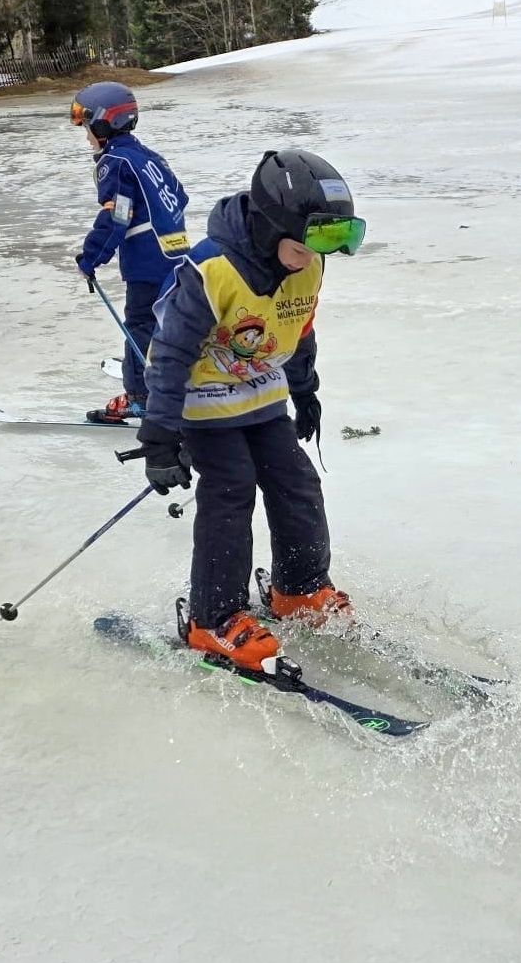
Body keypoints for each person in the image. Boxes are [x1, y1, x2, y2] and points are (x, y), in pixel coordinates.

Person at [133, 150, 366, 676]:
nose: (312, 255)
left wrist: (305, 391)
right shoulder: (212, 268)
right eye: (306, 242)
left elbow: (298, 329)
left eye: (327, 243)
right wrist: (160, 434)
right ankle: (213, 619)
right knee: (231, 486)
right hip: (200, 394)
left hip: (260, 392)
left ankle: (298, 591)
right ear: (269, 225)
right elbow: (169, 353)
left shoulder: (308, 266)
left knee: (295, 481)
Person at [69, 81, 190, 424]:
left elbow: (116, 216)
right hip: (179, 254)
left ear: (103, 122)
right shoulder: (149, 156)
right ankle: (177, 380)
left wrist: (90, 258)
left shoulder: (115, 162)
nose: (84, 132)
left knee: (140, 324)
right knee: (169, 322)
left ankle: (140, 398)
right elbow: (179, 197)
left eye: (85, 122)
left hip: (148, 261)